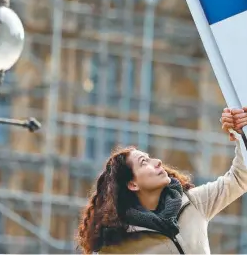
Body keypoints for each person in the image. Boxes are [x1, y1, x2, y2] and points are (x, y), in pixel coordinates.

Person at [77, 107, 247, 254]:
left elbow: (240, 178)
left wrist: (240, 134)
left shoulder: (193, 202)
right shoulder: (117, 247)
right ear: (132, 184)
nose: (157, 162)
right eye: (144, 162)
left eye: (150, 158)